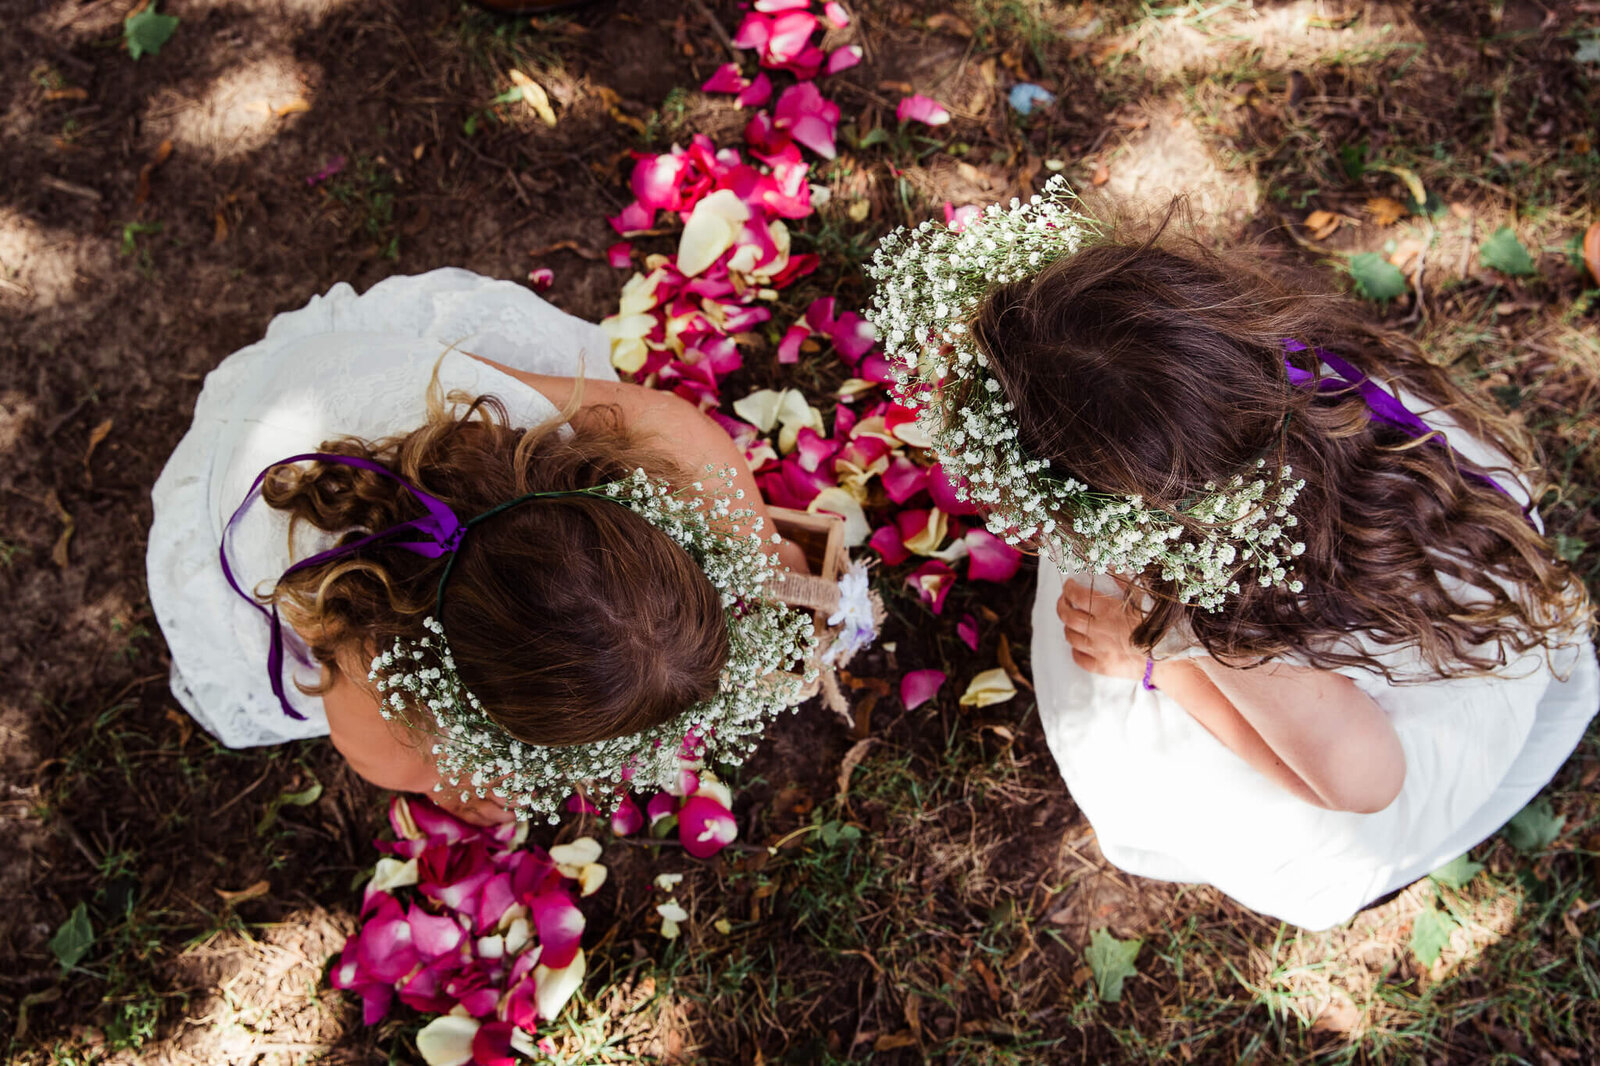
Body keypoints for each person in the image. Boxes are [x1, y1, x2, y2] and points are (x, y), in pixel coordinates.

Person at [868, 185, 1599, 928]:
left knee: (1125, 675)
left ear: (1119, 500)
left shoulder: (1238, 602)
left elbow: (1362, 784)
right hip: (1432, 541)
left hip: (1374, 712)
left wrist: (1162, 660)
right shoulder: (1273, 368)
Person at [148, 268, 815, 826]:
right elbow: (375, 753)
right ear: (467, 689)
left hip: (387, 383)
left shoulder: (572, 430)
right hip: (271, 474)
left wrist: (760, 546)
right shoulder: (364, 620)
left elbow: (664, 422)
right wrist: (440, 781)